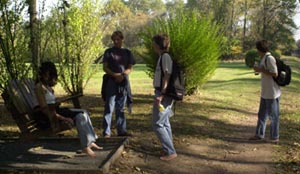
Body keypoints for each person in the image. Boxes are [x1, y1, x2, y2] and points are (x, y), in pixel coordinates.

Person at [33, 61, 102, 157]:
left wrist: (57, 101)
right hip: (46, 117)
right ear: (43, 73)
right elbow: (44, 109)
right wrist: (64, 118)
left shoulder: (47, 87)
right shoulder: (39, 87)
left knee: (84, 112)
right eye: (47, 74)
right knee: (80, 117)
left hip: (54, 111)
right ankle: (85, 146)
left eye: (50, 74)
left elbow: (51, 102)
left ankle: (91, 141)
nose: (48, 77)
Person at [102, 30, 135, 138]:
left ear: (122, 39)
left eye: (118, 39)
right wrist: (115, 75)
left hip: (123, 83)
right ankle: (106, 132)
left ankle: (121, 130)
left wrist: (122, 75)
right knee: (109, 107)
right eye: (114, 40)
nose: (116, 41)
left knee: (120, 108)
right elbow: (105, 67)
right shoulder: (108, 52)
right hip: (111, 82)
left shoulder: (127, 52)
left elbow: (130, 67)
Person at [152, 34, 177, 161]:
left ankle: (170, 152)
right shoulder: (162, 57)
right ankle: (168, 149)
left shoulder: (165, 57)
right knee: (165, 123)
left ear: (157, 45)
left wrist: (161, 94)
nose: (152, 46)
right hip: (162, 93)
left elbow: (167, 76)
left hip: (164, 95)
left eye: (153, 43)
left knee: (157, 124)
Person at [250, 40, 281, 143]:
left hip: (272, 93)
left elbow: (275, 73)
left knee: (273, 117)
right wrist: (258, 70)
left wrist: (262, 70)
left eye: (257, 49)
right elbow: (265, 71)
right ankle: (259, 135)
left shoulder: (270, 58)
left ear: (260, 49)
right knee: (262, 115)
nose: (257, 51)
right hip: (265, 92)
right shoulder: (264, 58)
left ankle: (274, 137)